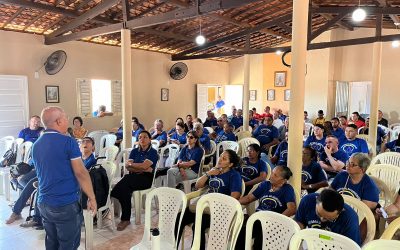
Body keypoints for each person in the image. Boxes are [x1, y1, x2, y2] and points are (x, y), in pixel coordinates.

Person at [32, 106, 97, 249]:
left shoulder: (36, 145)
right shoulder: (68, 142)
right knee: (68, 244)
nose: (68, 120)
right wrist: (92, 197)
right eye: (66, 118)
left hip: (43, 203)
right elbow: (80, 172)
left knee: (52, 242)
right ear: (59, 121)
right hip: (65, 204)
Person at [175, 150, 242, 250]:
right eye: (220, 156)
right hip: (204, 206)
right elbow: (198, 186)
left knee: (198, 225)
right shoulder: (214, 171)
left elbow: (235, 197)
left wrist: (217, 201)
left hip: (218, 211)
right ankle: (174, 245)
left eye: (224, 159)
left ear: (231, 164)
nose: (220, 159)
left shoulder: (234, 175)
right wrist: (209, 173)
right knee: (180, 217)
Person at [236, 165, 296, 250]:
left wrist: (277, 221)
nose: (271, 176)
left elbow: (292, 209)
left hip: (273, 224)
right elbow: (249, 198)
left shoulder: (287, 189)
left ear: (283, 181)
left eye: (275, 175)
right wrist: (234, 202)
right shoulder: (265, 185)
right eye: (272, 173)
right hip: (258, 220)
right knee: (240, 235)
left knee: (260, 242)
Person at [111, 130, 158, 231]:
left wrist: (135, 165)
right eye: (140, 137)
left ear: (150, 139)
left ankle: (114, 194)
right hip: (133, 177)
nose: (142, 139)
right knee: (125, 190)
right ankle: (125, 219)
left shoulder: (153, 152)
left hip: (146, 179)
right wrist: (140, 167)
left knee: (123, 184)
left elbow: (144, 166)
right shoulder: (134, 151)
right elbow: (128, 167)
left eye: (145, 137)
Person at [295, 189, 361, 246]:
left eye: (328, 218)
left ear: (339, 213)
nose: (322, 219)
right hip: (311, 241)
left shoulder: (350, 219)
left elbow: (352, 246)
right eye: (319, 214)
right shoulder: (307, 201)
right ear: (316, 202)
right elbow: (299, 222)